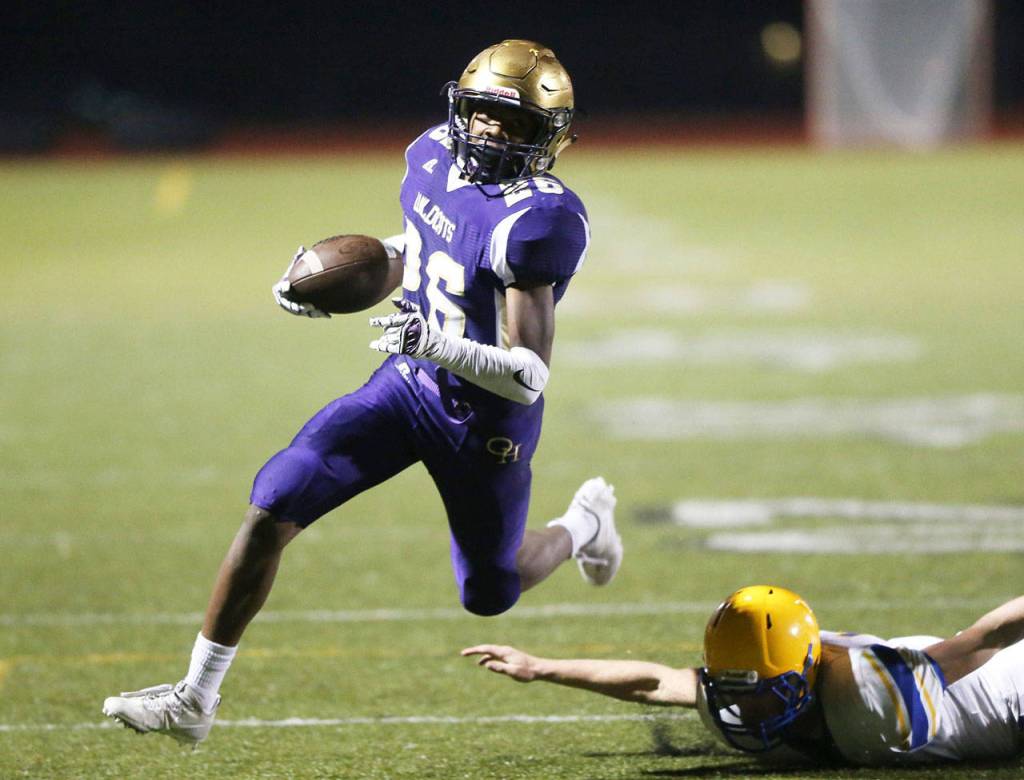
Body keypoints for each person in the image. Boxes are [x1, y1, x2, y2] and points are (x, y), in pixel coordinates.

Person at [102, 39, 622, 746]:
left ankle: (584, 525)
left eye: (516, 124)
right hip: (406, 385)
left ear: (549, 137)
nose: (491, 134)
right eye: (482, 116)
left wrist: (433, 343)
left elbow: (529, 376)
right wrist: (326, 282)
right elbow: (415, 254)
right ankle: (195, 698)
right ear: (458, 110)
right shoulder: (432, 155)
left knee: (491, 591)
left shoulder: (539, 220)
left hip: (481, 415)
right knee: (272, 503)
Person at [463, 585, 1024, 767]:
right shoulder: (750, 681)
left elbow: (985, 640)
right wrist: (543, 668)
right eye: (739, 687)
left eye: (766, 689)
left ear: (806, 673)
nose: (750, 706)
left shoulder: (869, 695)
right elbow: (656, 683)